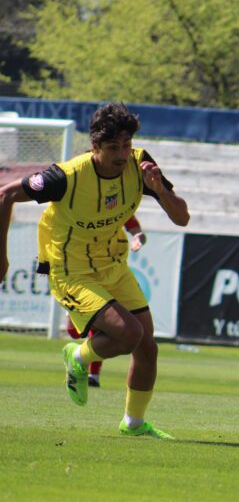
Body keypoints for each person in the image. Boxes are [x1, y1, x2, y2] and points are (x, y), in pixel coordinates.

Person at [0, 102, 189, 439]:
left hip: (113, 265)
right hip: (70, 271)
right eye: (113, 147)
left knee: (148, 347)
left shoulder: (141, 165)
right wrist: (2, 257)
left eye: (126, 145)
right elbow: (6, 195)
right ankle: (78, 355)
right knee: (130, 334)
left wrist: (159, 189)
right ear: (95, 147)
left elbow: (182, 218)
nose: (122, 155)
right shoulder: (65, 176)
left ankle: (133, 424)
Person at [63, 215, 148, 388]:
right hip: (81, 275)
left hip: (113, 276)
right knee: (74, 332)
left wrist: (138, 238)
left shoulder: (119, 207)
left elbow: (137, 231)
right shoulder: (79, 206)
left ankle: (93, 375)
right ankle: (78, 356)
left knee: (139, 338)